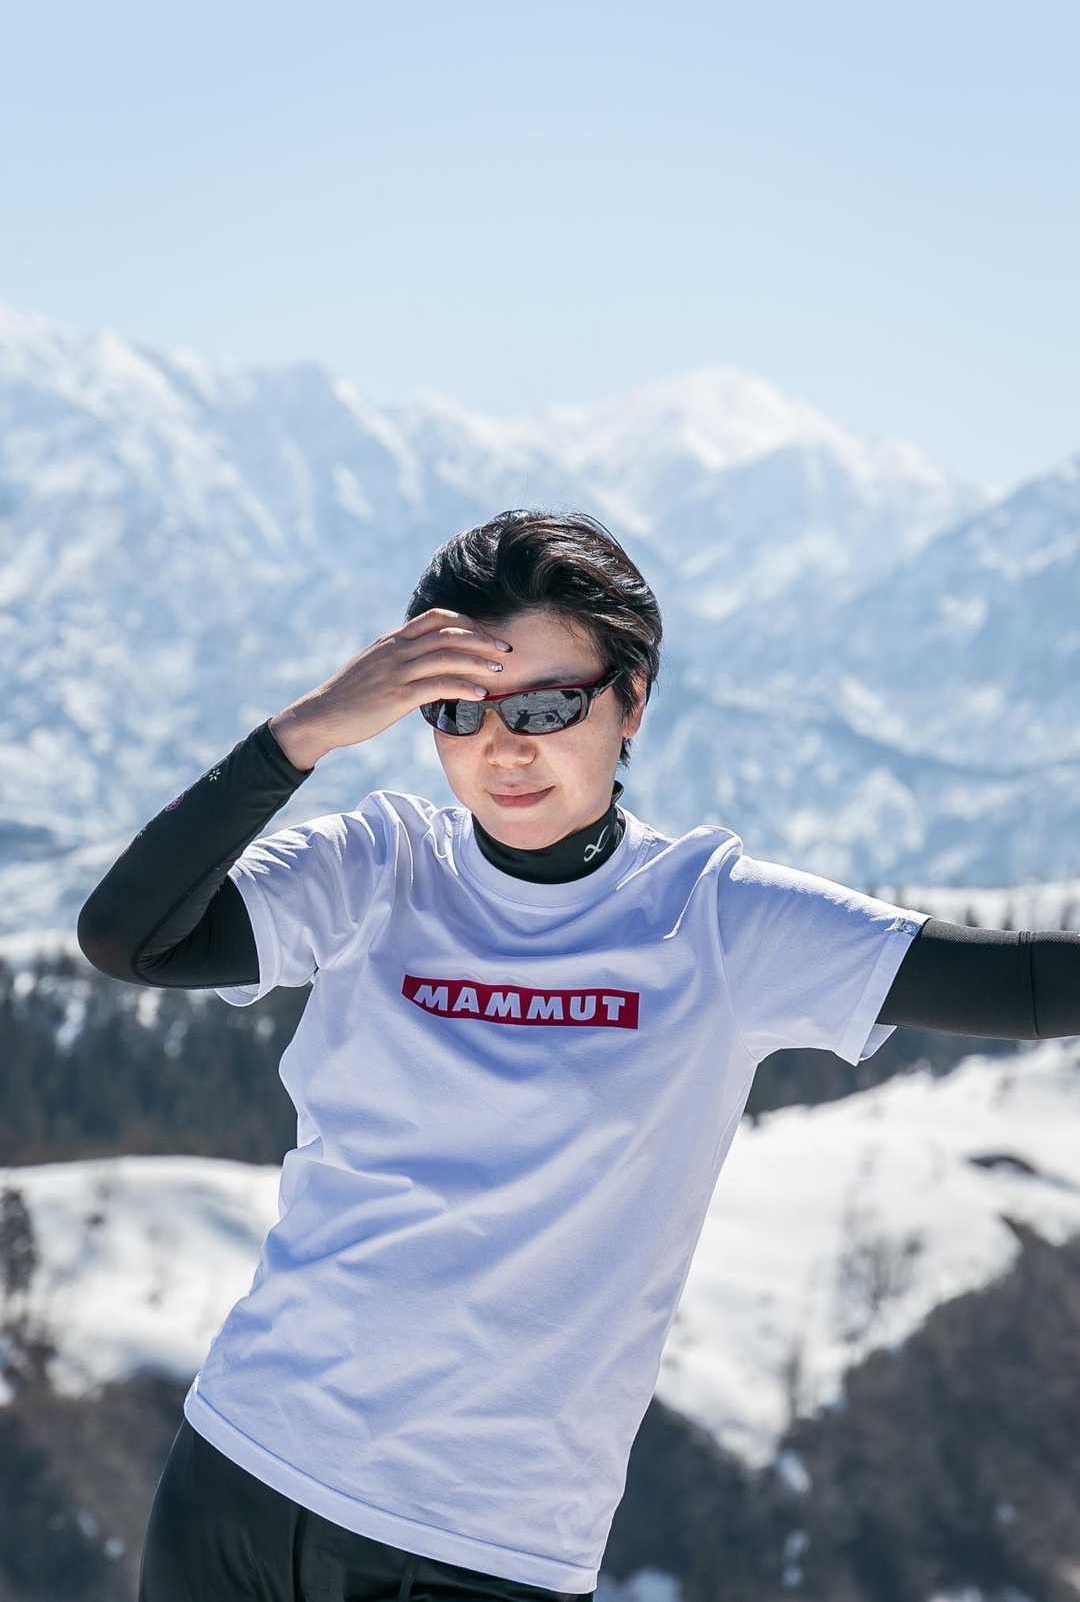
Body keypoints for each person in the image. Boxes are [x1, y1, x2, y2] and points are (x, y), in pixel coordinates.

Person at [77, 509, 1080, 1602]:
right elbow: (130, 937)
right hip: (240, 1477)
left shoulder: (716, 920)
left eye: (548, 706)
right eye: (456, 708)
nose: (504, 747)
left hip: (486, 1547)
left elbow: (1027, 987)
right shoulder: (377, 866)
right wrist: (307, 730)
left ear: (632, 699)